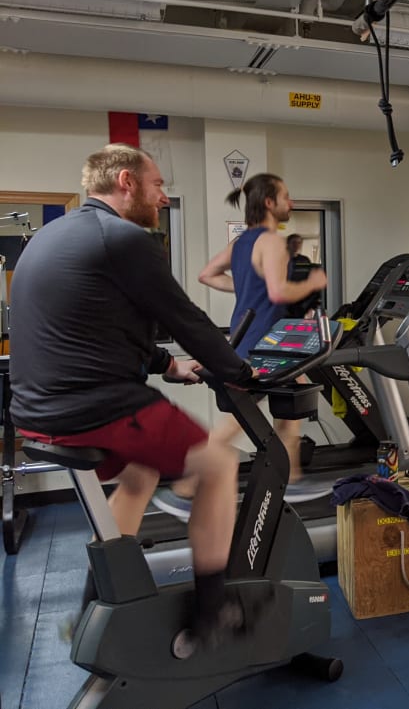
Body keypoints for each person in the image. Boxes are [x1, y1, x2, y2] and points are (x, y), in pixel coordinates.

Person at [8, 143, 257, 644]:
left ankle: (96, 601)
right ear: (126, 182)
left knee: (142, 475)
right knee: (220, 465)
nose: (163, 197)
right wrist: (242, 372)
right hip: (95, 407)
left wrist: (168, 365)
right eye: (158, 184)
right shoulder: (125, 239)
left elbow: (94, 326)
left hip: (35, 411)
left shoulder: (54, 235)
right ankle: (213, 609)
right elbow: (184, 316)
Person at [172, 174, 327, 497]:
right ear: (270, 203)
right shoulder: (272, 242)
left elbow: (206, 275)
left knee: (292, 404)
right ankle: (190, 480)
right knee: (240, 419)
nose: (291, 203)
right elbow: (279, 291)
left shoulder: (241, 242)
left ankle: (292, 476)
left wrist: (244, 286)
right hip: (266, 344)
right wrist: (313, 283)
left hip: (247, 339)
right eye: (286, 196)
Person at [284, 233, 321, 318]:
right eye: (294, 242)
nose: (297, 245)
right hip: (286, 300)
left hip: (301, 300)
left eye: (299, 242)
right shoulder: (282, 260)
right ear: (288, 244)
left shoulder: (304, 260)